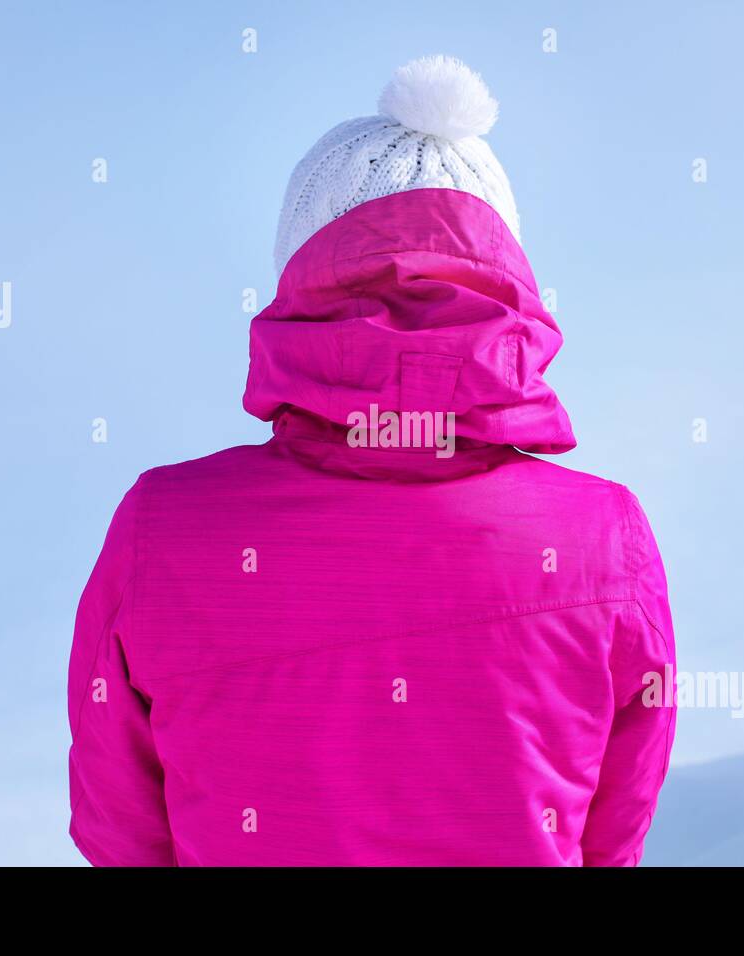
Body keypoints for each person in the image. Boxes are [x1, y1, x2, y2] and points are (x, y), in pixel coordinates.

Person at [67, 55, 676, 866]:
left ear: (300, 274)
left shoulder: (164, 526)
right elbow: (615, 826)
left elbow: (120, 829)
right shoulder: (603, 537)